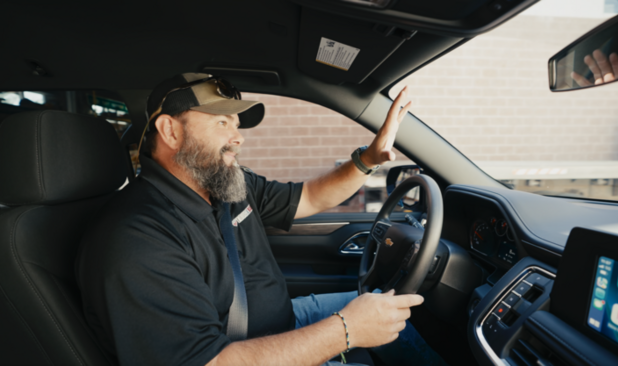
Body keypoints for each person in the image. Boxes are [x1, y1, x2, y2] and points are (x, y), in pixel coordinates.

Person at [76, 73, 447, 366]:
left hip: (285, 319)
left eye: (236, 125)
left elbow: (312, 196)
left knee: (390, 306)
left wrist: (369, 158)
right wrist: (346, 330)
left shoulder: (227, 184)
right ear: (171, 132)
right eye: (222, 123)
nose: (238, 138)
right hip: (242, 352)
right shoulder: (137, 239)